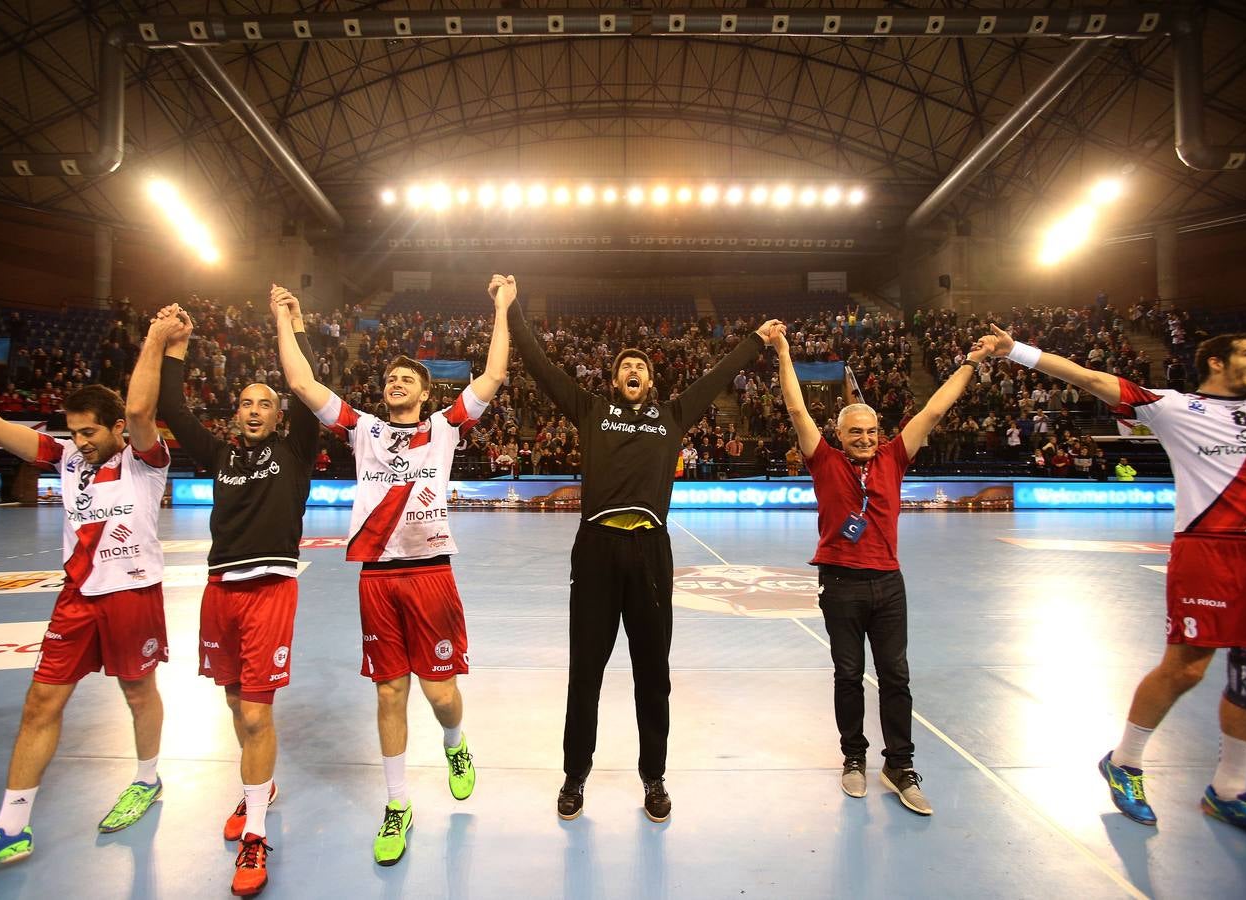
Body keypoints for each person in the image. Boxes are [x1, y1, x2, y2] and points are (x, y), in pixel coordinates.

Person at [505, 274, 778, 823]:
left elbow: (717, 374)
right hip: (597, 549)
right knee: (586, 671)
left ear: (652, 382)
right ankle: (574, 776)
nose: (634, 371)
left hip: (651, 552)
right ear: (613, 380)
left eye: (642, 367)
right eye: (625, 366)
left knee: (654, 674)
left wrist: (756, 340)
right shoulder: (589, 411)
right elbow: (539, 365)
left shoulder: (673, 416)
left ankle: (654, 777)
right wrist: (511, 311)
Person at [0, 318, 170, 881]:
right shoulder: (66, 459)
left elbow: (143, 413)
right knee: (39, 704)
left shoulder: (144, 461)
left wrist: (152, 338)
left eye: (89, 433)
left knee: (137, 692)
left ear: (116, 430)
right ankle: (11, 828)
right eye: (73, 433)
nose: (79, 443)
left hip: (132, 595)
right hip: (76, 599)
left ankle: (147, 779)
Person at [274, 278, 509, 866]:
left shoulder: (446, 427)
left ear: (427, 392)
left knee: (440, 693)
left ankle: (456, 744)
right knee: (388, 691)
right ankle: (397, 803)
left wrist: (502, 308)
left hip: (430, 573)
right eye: (390, 378)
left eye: (408, 378)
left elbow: (495, 375)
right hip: (377, 575)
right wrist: (285, 319)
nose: (395, 382)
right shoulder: (363, 429)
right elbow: (302, 384)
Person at [989, 326, 1246, 834]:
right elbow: (1089, 377)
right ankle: (1125, 761)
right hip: (1211, 549)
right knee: (1188, 668)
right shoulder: (1175, 407)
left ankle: (1228, 790)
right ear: (1216, 364)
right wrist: (1016, 351)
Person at [774, 326, 994, 816]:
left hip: (889, 585)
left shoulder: (894, 456)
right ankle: (854, 759)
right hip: (840, 584)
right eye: (855, 431)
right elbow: (795, 408)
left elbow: (935, 409)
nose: (866, 438)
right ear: (838, 434)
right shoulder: (823, 461)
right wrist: (785, 352)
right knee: (848, 675)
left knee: (896, 676)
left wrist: (972, 362)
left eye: (872, 431)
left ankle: (900, 764)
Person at [152, 289, 321, 896]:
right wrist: (177, 346)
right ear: (236, 412)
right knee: (233, 704)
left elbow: (306, 387)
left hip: (272, 588)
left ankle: (254, 835)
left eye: (264, 404)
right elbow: (171, 405)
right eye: (246, 403)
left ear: (278, 416)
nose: (254, 410)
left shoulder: (297, 449)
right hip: (220, 589)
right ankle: (262, 786)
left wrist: (289, 323)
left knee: (256, 710)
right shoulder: (220, 453)